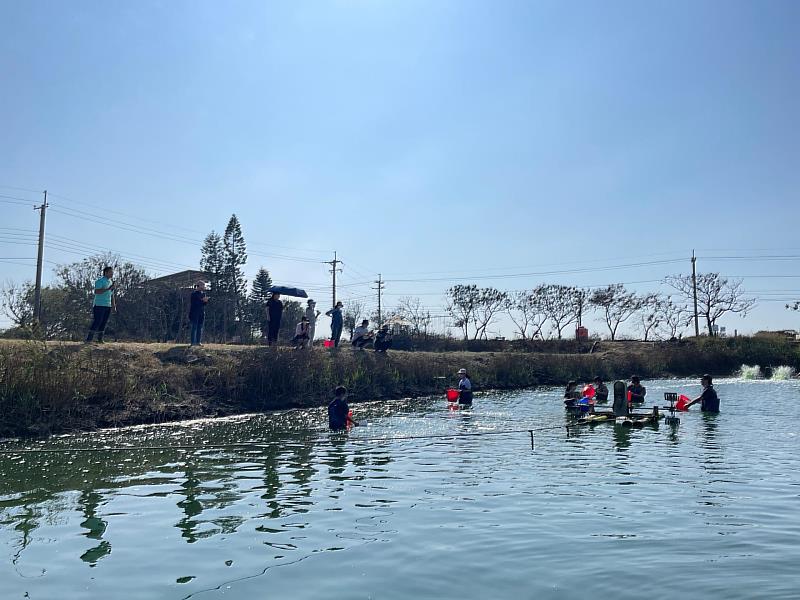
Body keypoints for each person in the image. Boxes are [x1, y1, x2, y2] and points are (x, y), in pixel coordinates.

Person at [85, 266, 116, 343]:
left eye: (112, 273)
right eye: (110, 272)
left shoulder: (110, 282)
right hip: (99, 304)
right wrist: (108, 288)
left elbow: (112, 295)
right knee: (97, 321)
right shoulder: (99, 281)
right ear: (106, 272)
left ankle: (100, 339)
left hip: (107, 305)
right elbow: (97, 292)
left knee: (104, 322)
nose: (112, 274)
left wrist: (114, 305)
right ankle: (89, 339)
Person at [188, 281, 209, 347]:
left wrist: (205, 301)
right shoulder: (193, 294)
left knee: (200, 327)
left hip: (201, 313)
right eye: (203, 285)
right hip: (194, 313)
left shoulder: (203, 294)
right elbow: (194, 304)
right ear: (199, 286)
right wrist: (202, 300)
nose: (204, 287)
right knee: (194, 327)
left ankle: (198, 342)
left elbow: (203, 304)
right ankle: (192, 343)